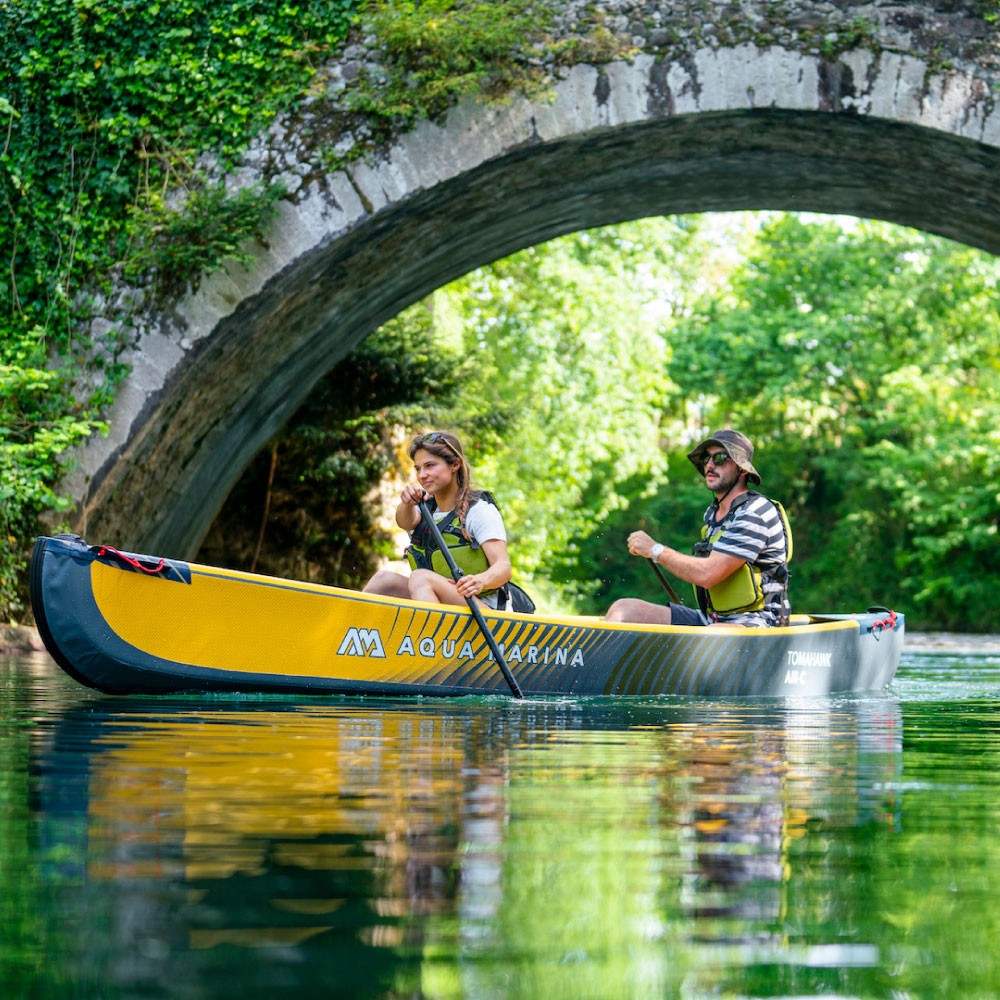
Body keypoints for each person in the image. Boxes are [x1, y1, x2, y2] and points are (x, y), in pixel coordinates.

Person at [604, 429, 790, 627]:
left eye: (720, 458)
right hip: (713, 620)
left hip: (760, 624)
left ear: (742, 470)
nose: (709, 465)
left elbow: (707, 575)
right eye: (706, 458)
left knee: (710, 636)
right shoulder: (712, 513)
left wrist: (654, 550)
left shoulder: (755, 512)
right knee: (623, 610)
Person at [363, 431, 512, 609]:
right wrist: (406, 503)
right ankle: (343, 630)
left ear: (455, 464)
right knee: (383, 580)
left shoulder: (479, 510)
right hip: (445, 604)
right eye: (418, 468)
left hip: (485, 613)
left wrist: (481, 581)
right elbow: (405, 522)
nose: (422, 475)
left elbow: (503, 567)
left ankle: (428, 634)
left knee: (420, 577)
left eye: (430, 465)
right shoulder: (424, 507)